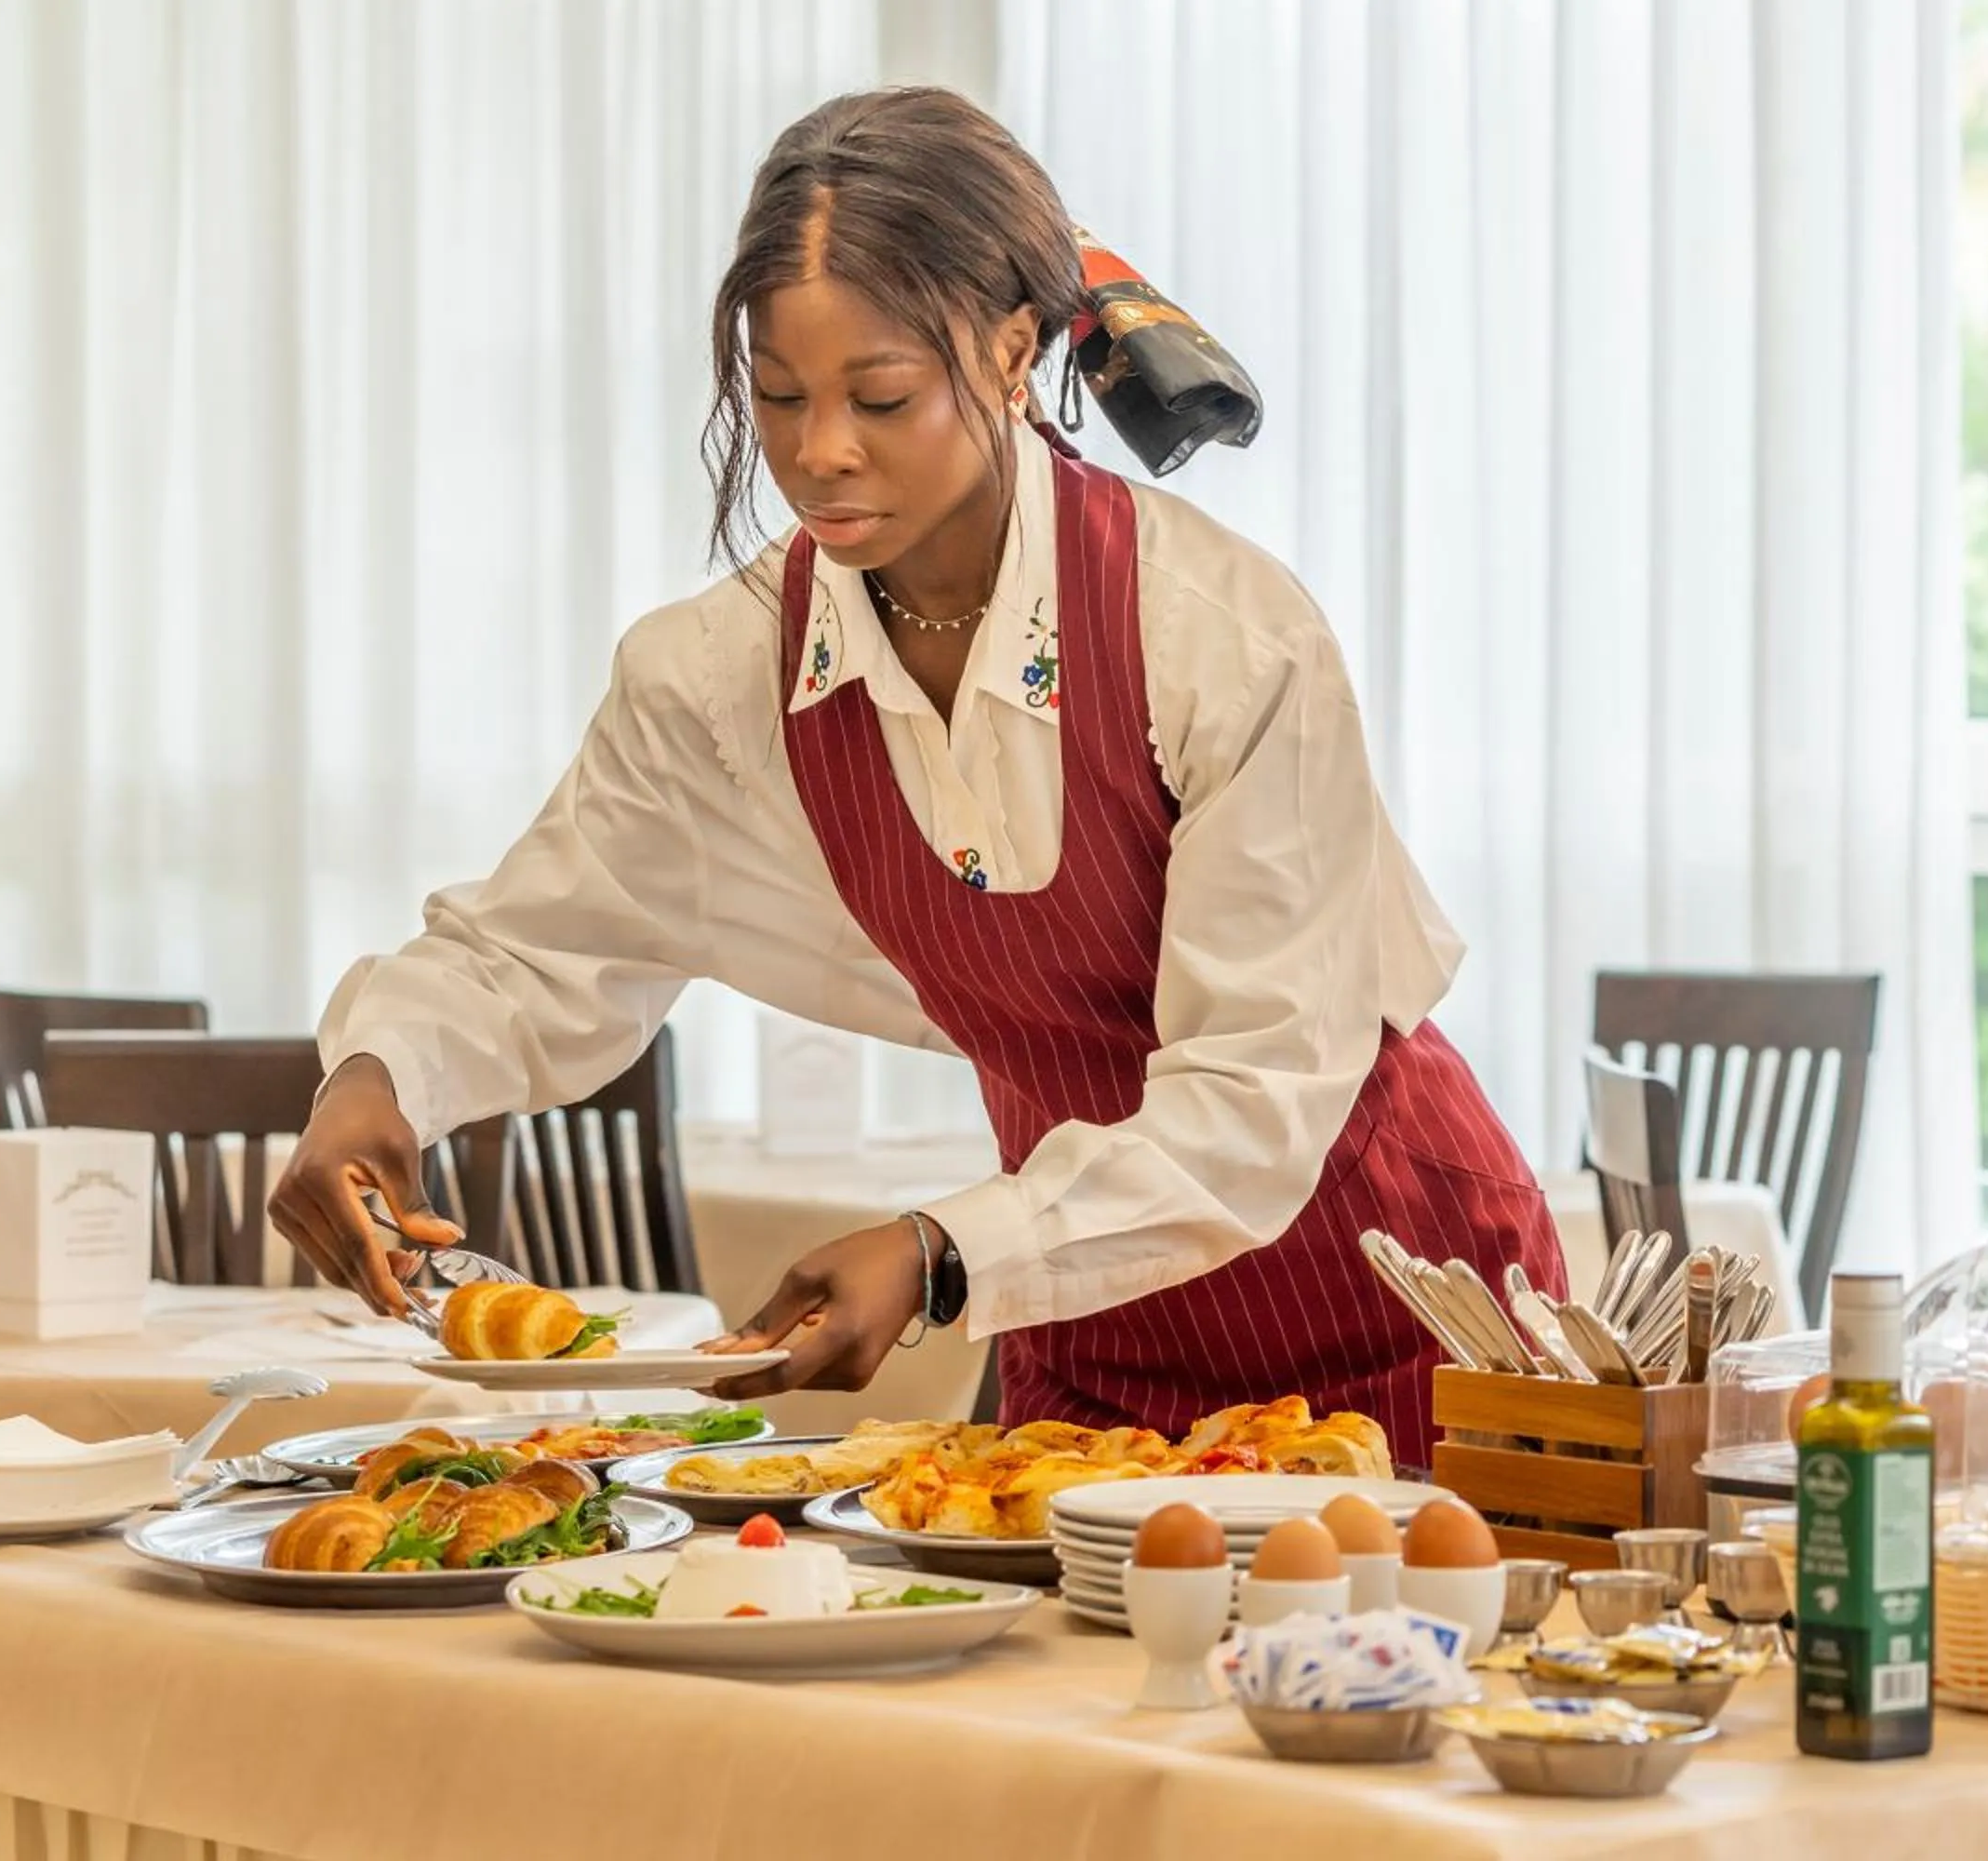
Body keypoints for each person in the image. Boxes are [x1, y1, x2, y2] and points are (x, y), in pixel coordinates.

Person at [270, 87, 1563, 1467]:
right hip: (1094, 1334)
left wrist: (946, 1252)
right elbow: (535, 952)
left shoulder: (1217, 636)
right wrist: (376, 1081)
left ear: (1013, 355)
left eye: (879, 396)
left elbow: (1256, 1103)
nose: (819, 450)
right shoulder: (718, 681)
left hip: (1403, 1309)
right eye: (778, 397)